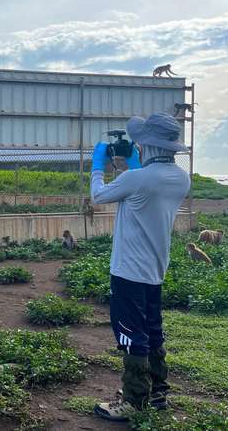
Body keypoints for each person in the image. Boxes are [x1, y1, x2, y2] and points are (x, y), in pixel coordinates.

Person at [91, 112, 190, 421]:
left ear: (147, 144)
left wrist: (98, 165)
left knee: (130, 333)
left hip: (128, 271)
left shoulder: (135, 179)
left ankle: (134, 400)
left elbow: (97, 196)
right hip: (154, 270)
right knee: (152, 330)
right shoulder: (180, 178)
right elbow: (147, 185)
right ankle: (157, 393)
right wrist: (135, 162)